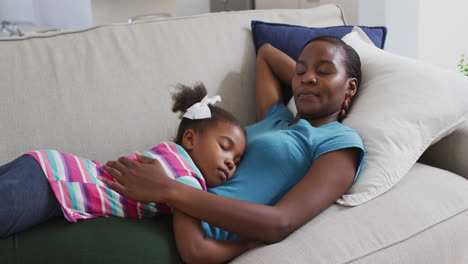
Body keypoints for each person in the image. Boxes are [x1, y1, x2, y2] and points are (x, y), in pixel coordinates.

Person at [100, 35, 365, 262]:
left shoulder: (339, 142)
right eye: (300, 71)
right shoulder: (275, 117)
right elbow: (267, 55)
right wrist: (312, 80)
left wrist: (171, 190)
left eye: (324, 71)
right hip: (149, 205)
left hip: (190, 235)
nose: (307, 78)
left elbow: (280, 222)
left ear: (351, 85)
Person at [1, 82, 256, 262]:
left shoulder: (167, 156)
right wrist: (243, 244)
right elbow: (194, 252)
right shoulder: (185, 180)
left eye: (236, 159)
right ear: (189, 139)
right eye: (224, 147)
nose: (231, 163)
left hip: (46, 168)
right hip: (53, 184)